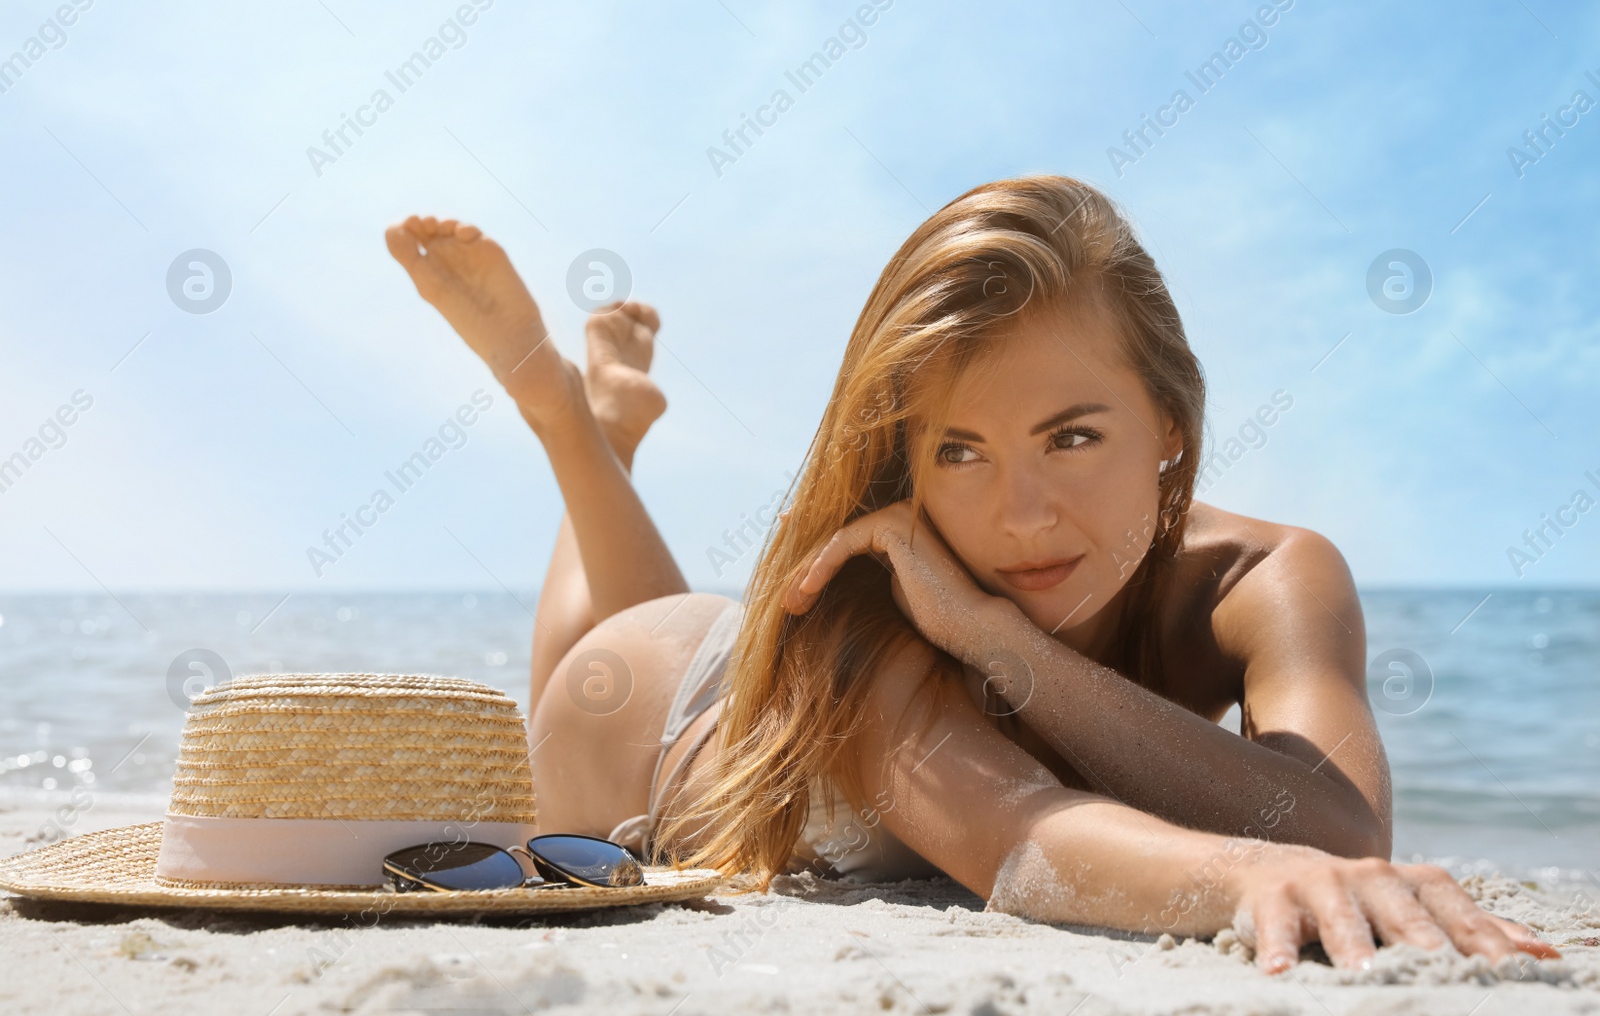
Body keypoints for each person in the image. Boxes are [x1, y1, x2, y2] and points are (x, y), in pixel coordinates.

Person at [384, 176, 1557, 974]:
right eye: (957, 451)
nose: (1018, 514)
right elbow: (1017, 838)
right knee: (600, 660)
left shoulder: (1268, 575)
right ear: (904, 462)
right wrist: (1247, 874)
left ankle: (603, 428)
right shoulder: (877, 604)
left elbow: (1344, 829)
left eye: (1072, 435)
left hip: (750, 655)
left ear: (1170, 424)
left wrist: (1006, 644)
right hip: (651, 701)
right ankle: (574, 421)